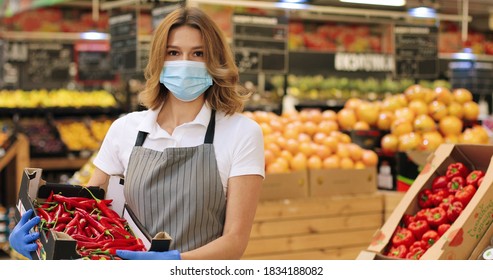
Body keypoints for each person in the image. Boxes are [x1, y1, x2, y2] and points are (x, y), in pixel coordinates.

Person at [9, 6, 265, 260]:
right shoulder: (125, 129)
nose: (185, 63)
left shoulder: (241, 133)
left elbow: (235, 241)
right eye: (173, 52)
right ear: (158, 60)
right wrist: (40, 243)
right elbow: (85, 212)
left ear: (215, 61)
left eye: (198, 53)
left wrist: (176, 262)